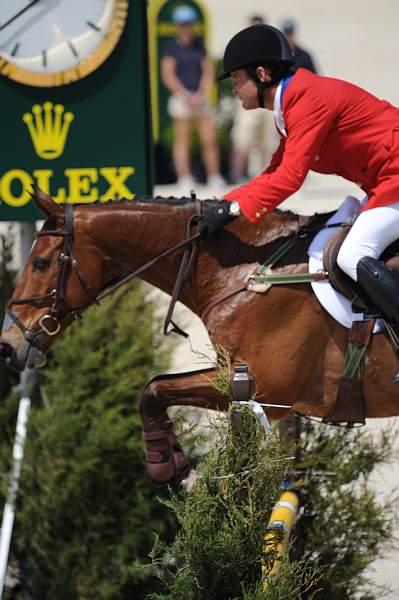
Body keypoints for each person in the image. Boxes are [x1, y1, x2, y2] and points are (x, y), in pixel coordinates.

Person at [198, 24, 399, 339]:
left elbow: (291, 178)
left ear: (262, 74)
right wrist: (224, 204)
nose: (234, 88)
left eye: (237, 78)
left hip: (395, 179)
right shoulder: (291, 103)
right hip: (385, 182)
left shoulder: (307, 99)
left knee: (351, 255)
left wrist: (234, 210)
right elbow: (274, 171)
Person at [160, 5, 225, 190]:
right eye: (183, 24)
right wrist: (185, 94)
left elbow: (208, 72)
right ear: (178, 25)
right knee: (182, 140)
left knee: (209, 139)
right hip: (182, 98)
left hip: (200, 97)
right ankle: (184, 177)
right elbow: (168, 75)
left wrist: (200, 93)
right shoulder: (171, 48)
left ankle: (214, 176)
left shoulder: (200, 45)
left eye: (189, 23)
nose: (186, 27)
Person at [229, 14, 278, 184]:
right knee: (242, 137)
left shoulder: (272, 49)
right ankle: (236, 173)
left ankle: (267, 175)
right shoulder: (241, 48)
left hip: (268, 98)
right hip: (249, 96)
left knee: (269, 140)